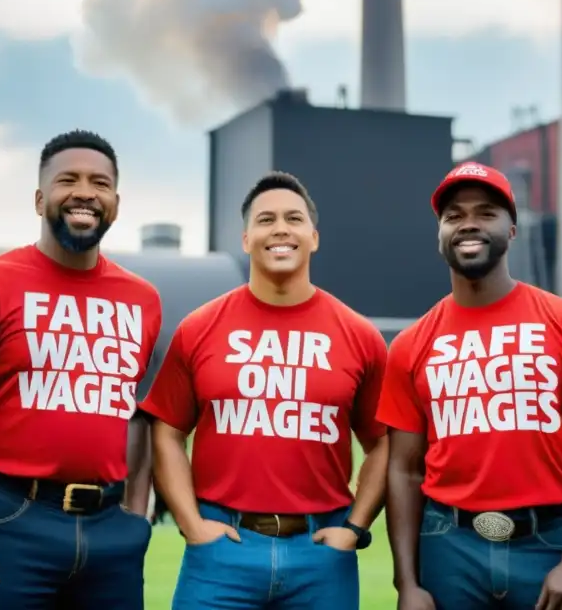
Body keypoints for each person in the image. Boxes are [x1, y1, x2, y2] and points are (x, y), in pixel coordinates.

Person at [0, 129, 163, 609]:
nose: (85, 191)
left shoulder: (143, 300)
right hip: (8, 520)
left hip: (111, 531)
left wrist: (136, 515)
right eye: (68, 179)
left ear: (115, 201)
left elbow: (134, 415)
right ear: (40, 197)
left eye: (100, 183)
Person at [137, 171, 388, 610]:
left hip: (321, 552)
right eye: (266, 219)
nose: (280, 229)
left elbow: (384, 444)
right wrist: (191, 523)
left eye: (294, 219)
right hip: (221, 548)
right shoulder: (200, 328)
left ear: (314, 237)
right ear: (246, 237)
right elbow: (166, 431)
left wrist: (355, 526)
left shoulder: (358, 335)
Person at [377, 162, 562, 610]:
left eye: (486, 212)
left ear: (512, 230)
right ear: (440, 236)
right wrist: (407, 585)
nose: (468, 222)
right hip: (450, 546)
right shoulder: (411, 345)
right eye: (454, 215)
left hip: (549, 543)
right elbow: (404, 470)